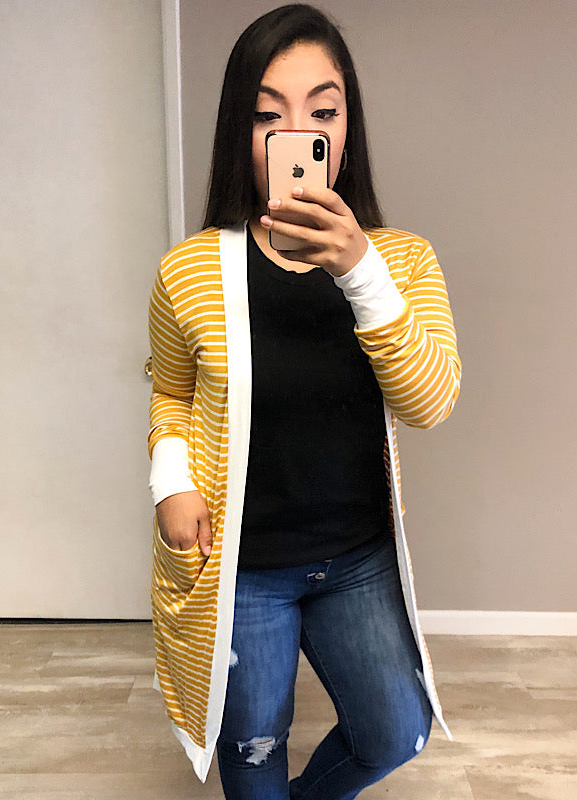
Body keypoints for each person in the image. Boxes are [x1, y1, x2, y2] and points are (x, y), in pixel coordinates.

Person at [147, 5, 461, 799]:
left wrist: (359, 271)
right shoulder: (189, 269)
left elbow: (430, 402)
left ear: (347, 129)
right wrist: (170, 482)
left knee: (395, 729)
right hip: (241, 566)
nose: (297, 134)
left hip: (358, 557)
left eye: (323, 112)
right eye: (268, 116)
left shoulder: (401, 261)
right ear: (239, 130)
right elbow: (171, 389)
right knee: (254, 748)